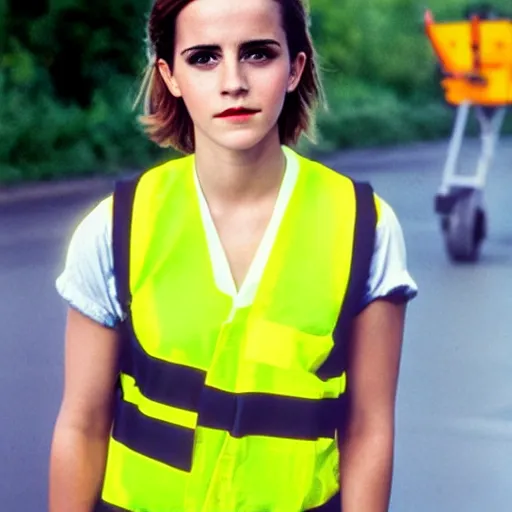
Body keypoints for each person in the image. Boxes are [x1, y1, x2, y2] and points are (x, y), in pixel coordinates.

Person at [49, 0, 418, 511]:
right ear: (170, 74)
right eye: (203, 57)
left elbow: (368, 429)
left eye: (258, 54)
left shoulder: (364, 226)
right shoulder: (115, 228)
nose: (233, 81)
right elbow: (82, 424)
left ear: (296, 68)